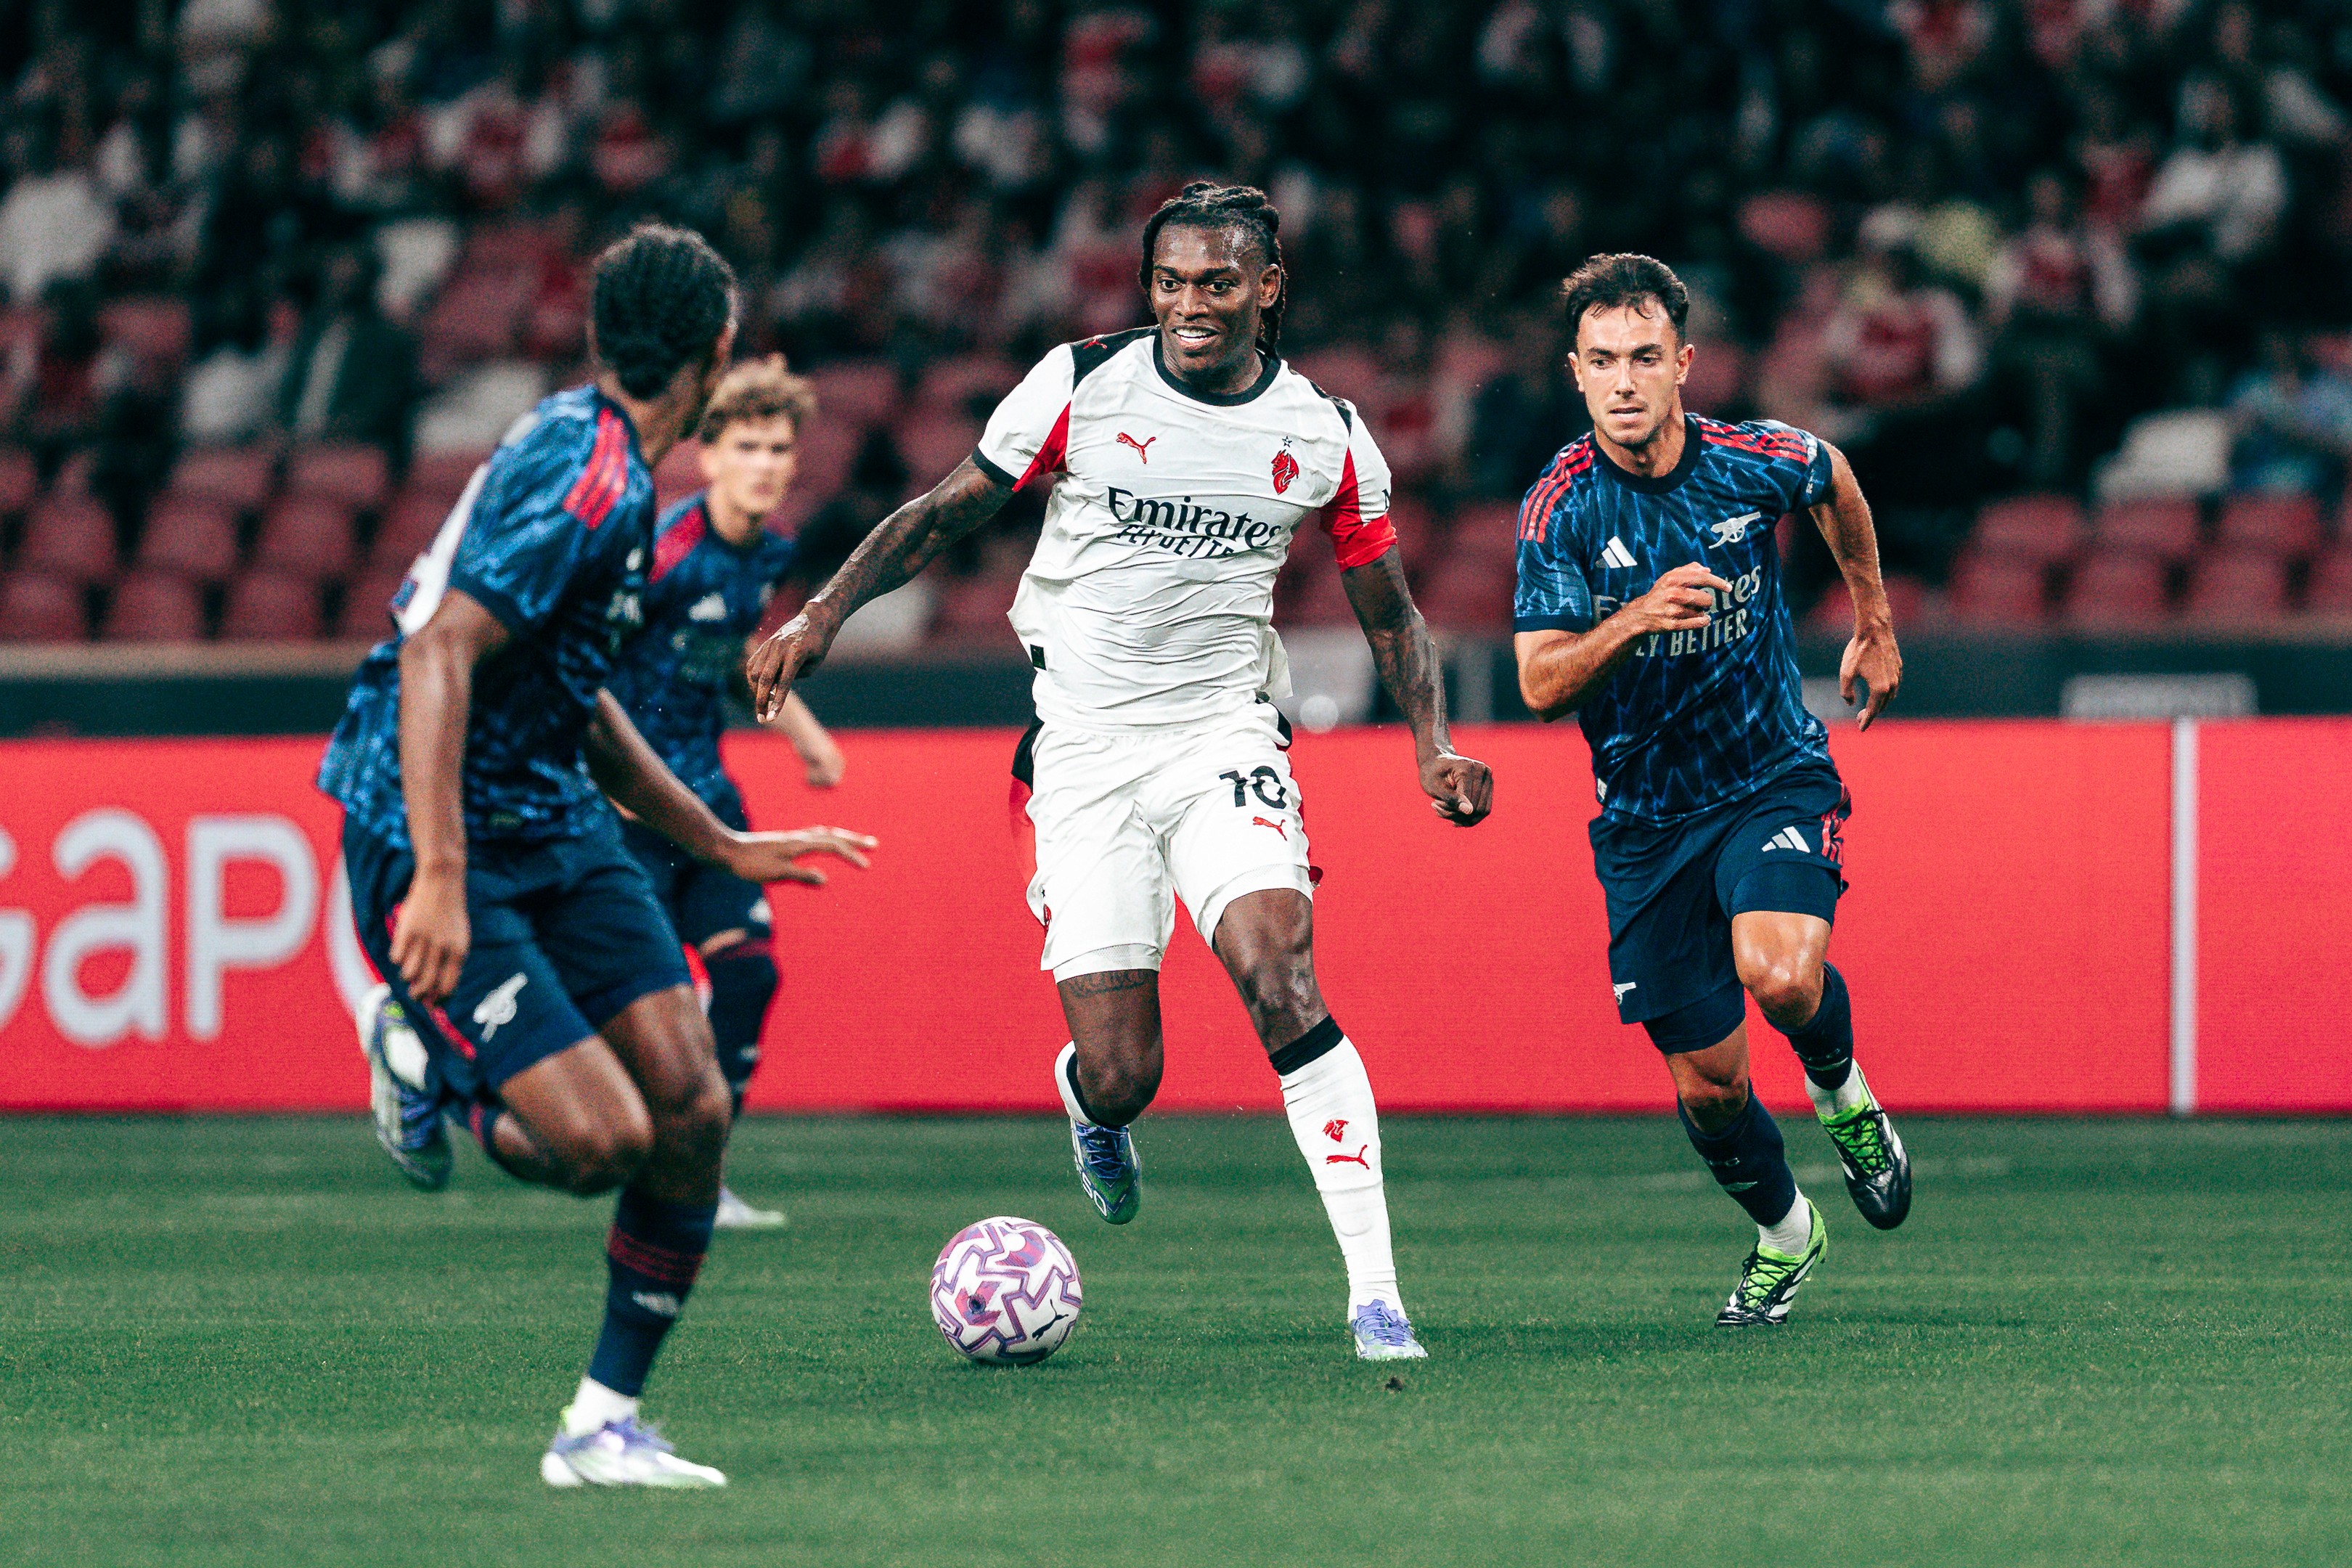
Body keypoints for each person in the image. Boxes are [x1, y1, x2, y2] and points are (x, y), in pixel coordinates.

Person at [749, 181, 1495, 1363]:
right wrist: (822, 616)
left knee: (1279, 975)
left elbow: (1390, 611)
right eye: (1168, 282)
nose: (1189, 304)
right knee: (1124, 1068)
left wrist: (1432, 744)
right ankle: (1091, 1103)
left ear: (1266, 289)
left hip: (1222, 736)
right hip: (1083, 755)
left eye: (1215, 282)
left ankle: (1375, 1293)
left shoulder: (1323, 437)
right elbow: (948, 509)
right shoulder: (1082, 382)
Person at [319, 224, 867, 1487]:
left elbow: (578, 695)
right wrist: (443, 881)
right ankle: (426, 1068)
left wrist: (723, 840)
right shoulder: (586, 475)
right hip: (436, 833)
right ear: (719, 353)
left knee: (692, 1104)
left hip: (553, 811)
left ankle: (600, 1428)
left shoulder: (618, 465)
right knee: (600, 1146)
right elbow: (436, 653)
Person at [1511, 254, 1912, 1329]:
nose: (1626, 381)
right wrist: (1635, 617)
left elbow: (1834, 477)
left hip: (1768, 774)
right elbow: (1539, 680)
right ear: (1577, 375)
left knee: (1779, 974)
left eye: (1646, 358)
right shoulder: (1559, 507)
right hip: (1644, 825)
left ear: (1684, 364)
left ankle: (1843, 1094)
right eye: (1604, 362)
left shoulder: (1749, 460)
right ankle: (1788, 1234)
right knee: (1710, 1087)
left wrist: (1872, 620)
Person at [603, 354, 854, 1230]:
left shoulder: (770, 548)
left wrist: (804, 731)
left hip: (708, 807)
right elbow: (591, 660)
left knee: (748, 979)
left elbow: (736, 649)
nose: (766, 463)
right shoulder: (663, 553)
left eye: (780, 447)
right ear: (707, 456)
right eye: (747, 445)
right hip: (628, 817)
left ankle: (698, 1181)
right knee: (639, 1008)